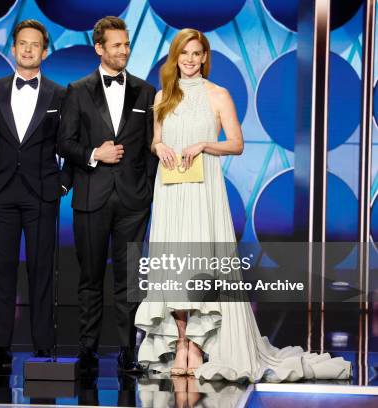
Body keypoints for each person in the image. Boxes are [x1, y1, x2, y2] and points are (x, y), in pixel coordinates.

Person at [134, 28, 352, 382]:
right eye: (184, 53)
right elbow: (156, 140)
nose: (190, 60)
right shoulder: (162, 97)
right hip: (171, 188)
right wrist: (161, 149)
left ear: (205, 57)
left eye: (196, 53)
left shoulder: (218, 95)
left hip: (204, 188)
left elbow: (236, 144)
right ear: (175, 57)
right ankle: (182, 342)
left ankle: (198, 346)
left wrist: (204, 145)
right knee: (173, 265)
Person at [58, 16, 158, 372]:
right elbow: (64, 142)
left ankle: (128, 351)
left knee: (130, 281)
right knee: (90, 278)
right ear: (99, 48)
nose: (124, 51)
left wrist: (145, 191)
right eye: (117, 45)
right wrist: (93, 155)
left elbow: (151, 148)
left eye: (127, 44)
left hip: (133, 202)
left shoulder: (146, 92)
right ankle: (87, 350)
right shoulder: (78, 89)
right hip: (90, 197)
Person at [0, 19, 72, 368]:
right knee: (1, 269)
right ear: (13, 49)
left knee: (42, 271)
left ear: (45, 51)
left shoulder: (60, 94)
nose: (29, 49)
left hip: (42, 194)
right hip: (1, 192)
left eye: (35, 44)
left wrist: (63, 183)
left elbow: (73, 144)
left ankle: (44, 346)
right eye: (23, 43)